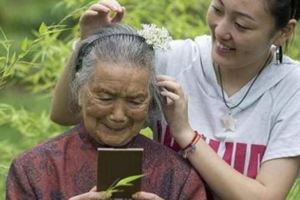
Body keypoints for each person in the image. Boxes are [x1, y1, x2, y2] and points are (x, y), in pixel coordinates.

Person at [50, 0, 300, 199]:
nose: (222, 30)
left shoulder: (292, 88)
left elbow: (266, 195)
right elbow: (67, 113)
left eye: (242, 25)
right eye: (218, 9)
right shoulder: (173, 59)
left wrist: (185, 135)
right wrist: (87, 43)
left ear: (284, 31)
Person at [6, 24, 207, 200]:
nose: (118, 116)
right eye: (105, 98)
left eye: (135, 101)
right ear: (79, 91)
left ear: (151, 101)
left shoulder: (178, 177)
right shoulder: (33, 169)